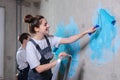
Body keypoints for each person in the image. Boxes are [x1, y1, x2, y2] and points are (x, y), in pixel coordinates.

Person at [24, 14, 96, 80]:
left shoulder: (49, 39)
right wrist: (58, 61)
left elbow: (69, 40)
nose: (48, 26)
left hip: (47, 76)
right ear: (37, 29)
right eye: (45, 24)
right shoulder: (30, 46)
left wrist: (86, 32)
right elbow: (38, 69)